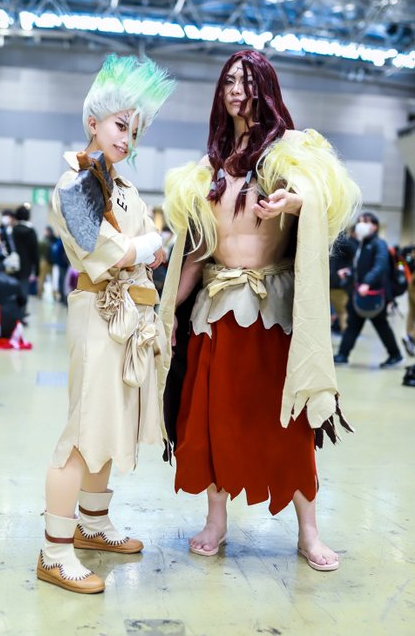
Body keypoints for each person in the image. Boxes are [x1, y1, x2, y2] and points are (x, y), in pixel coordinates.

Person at [159, 50, 361, 572]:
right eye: (229, 80)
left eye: (247, 80)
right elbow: (196, 253)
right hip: (215, 313)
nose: (236, 89)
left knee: (289, 424)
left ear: (265, 87)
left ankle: (309, 532)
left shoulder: (290, 154)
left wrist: (296, 203)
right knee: (214, 421)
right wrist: (165, 311)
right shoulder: (207, 169)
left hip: (274, 313)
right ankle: (216, 521)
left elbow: (326, 195)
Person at [37, 53, 175, 594]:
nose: (127, 138)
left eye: (134, 130)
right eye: (120, 125)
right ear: (92, 121)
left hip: (130, 317)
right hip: (98, 314)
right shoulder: (74, 183)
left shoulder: (125, 189)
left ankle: (93, 524)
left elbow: (143, 250)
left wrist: (144, 248)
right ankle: (54, 551)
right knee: (81, 431)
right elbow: (108, 249)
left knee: (109, 425)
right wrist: (145, 245)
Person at [334, 212, 403, 368]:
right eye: (359, 221)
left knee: (381, 326)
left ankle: (395, 355)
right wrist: (349, 271)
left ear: (375, 226)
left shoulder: (379, 244)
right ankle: (343, 355)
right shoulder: (362, 244)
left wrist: (367, 283)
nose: (361, 224)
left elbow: (380, 266)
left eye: (366, 221)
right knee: (353, 324)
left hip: (374, 294)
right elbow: (361, 267)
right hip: (360, 293)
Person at [10, 204, 40, 315]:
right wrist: (37, 271)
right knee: (23, 290)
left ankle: (13, 314)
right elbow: (35, 252)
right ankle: (21, 314)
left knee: (12, 290)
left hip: (12, 266)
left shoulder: (12, 231)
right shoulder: (31, 232)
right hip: (26, 267)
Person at [38, 225, 57, 298]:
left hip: (46, 261)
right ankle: (53, 294)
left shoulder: (45, 240)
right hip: (51, 262)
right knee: (52, 279)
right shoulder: (54, 240)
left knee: (42, 278)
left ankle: (40, 293)